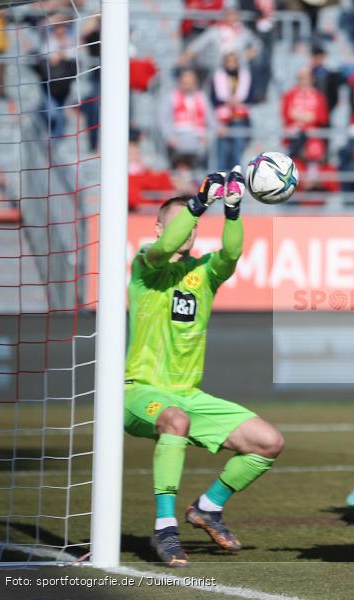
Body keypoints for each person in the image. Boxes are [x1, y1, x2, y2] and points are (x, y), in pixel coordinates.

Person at [123, 169, 285, 567]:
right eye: (179, 223)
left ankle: (208, 508)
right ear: (160, 227)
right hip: (138, 391)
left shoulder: (204, 273)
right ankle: (164, 527)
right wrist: (197, 204)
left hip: (188, 394)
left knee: (267, 442)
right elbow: (166, 246)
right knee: (175, 420)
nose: (189, 230)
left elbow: (231, 253)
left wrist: (232, 211)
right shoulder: (147, 265)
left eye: (193, 224)